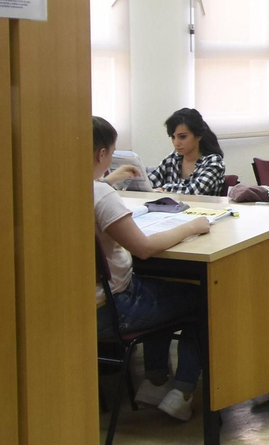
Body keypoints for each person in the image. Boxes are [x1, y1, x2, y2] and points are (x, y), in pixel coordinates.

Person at [92, 117, 212, 421]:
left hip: (69, 311)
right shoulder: (101, 196)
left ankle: (156, 381)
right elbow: (143, 248)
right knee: (204, 299)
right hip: (113, 309)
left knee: (157, 285)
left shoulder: (50, 193)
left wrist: (107, 180)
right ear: (101, 154)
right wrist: (190, 227)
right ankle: (182, 391)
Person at [146, 107, 228, 196]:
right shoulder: (173, 158)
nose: (176, 143)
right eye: (173, 137)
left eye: (182, 137)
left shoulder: (213, 161)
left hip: (202, 209)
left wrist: (164, 188)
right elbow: (149, 184)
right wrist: (133, 177)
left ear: (198, 136)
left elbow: (194, 192)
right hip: (172, 209)